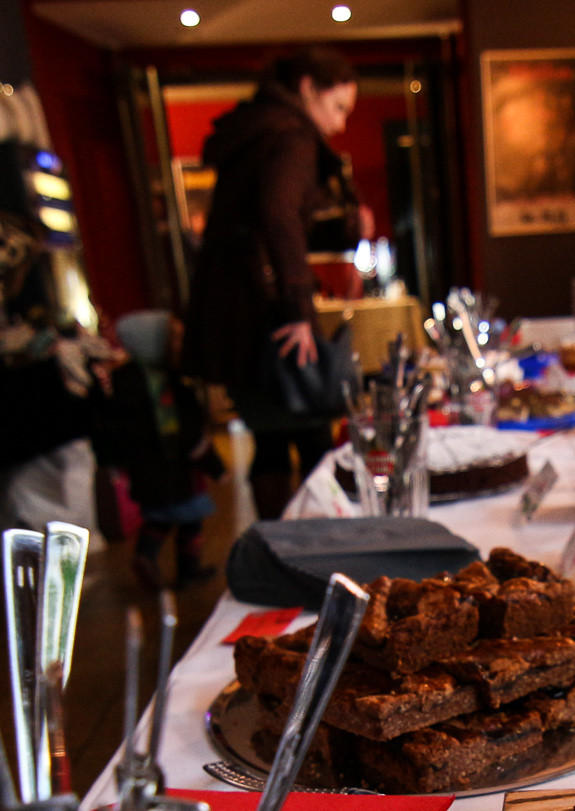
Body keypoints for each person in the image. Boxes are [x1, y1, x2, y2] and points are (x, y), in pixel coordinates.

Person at [182, 47, 371, 520]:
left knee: (270, 437)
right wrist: (297, 309)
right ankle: (319, 547)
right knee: (312, 433)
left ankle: (284, 543)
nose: (340, 124)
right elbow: (278, 216)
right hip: (263, 310)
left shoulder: (259, 128)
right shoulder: (291, 135)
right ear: (308, 89)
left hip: (235, 312)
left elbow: (272, 220)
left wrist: (347, 228)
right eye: (338, 107)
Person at [100, 310, 219, 589]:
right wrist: (214, 466)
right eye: (174, 338)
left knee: (160, 518)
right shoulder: (169, 383)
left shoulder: (123, 381)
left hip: (146, 471)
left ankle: (148, 555)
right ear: (152, 341)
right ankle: (186, 569)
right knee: (189, 519)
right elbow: (189, 432)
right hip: (176, 470)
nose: (180, 344)